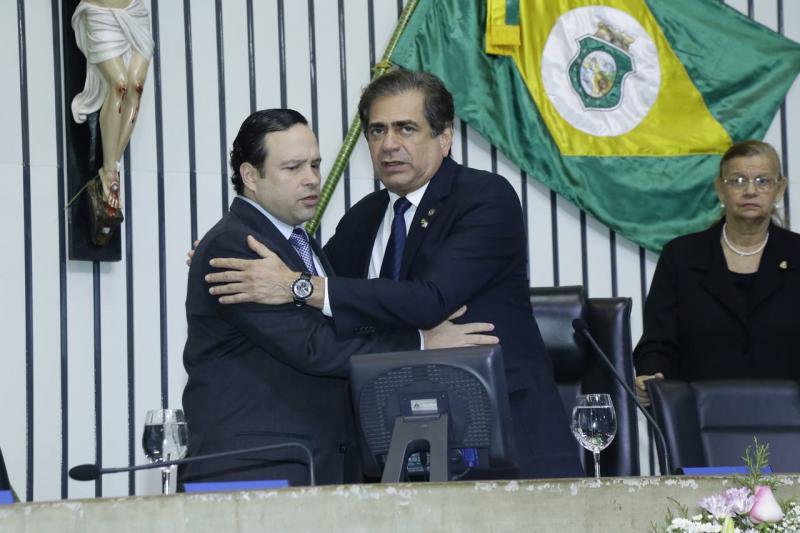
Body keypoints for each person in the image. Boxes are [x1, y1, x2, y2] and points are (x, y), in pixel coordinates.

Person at [206, 70, 584, 479]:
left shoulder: (484, 197)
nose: (388, 144)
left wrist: (299, 286)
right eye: (377, 130)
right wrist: (227, 245)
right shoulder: (362, 219)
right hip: (396, 451)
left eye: (406, 128)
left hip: (501, 442)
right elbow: (320, 296)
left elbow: (429, 300)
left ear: (444, 137)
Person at [181, 108, 497, 487]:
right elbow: (316, 347)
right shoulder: (237, 246)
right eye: (293, 168)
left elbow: (351, 309)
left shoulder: (292, 241)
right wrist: (421, 342)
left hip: (307, 464)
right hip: (253, 470)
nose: (312, 179)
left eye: (315, 165)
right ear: (250, 176)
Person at [634, 140, 800, 405]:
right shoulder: (681, 256)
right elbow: (658, 341)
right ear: (720, 189)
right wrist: (651, 374)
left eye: (762, 181)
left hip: (789, 416)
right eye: (738, 180)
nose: (750, 190)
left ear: (779, 189)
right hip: (698, 414)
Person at [71, 0, 155, 245]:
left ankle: (110, 170)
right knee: (119, 85)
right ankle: (109, 172)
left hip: (134, 11)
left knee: (136, 87)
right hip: (100, 11)